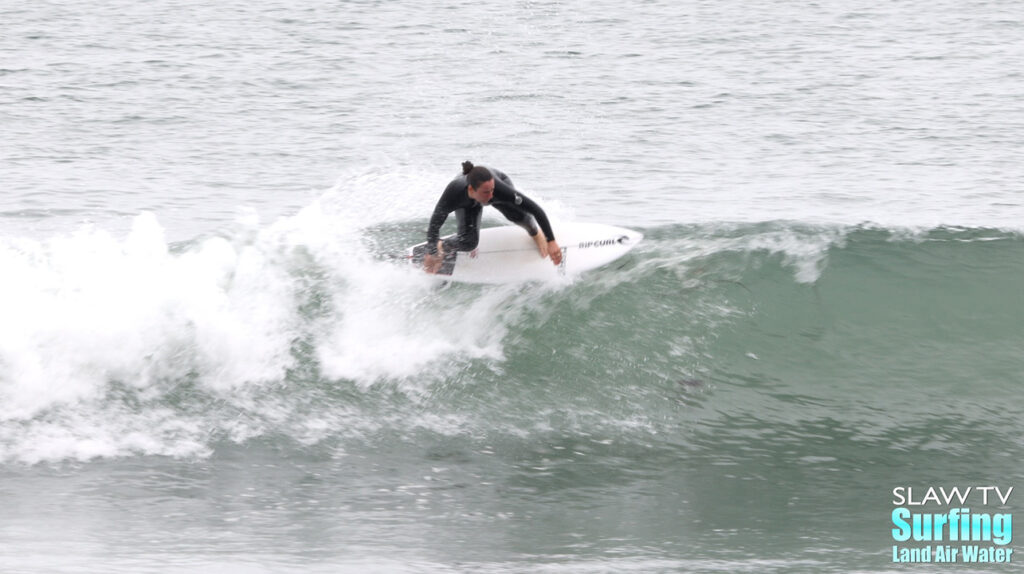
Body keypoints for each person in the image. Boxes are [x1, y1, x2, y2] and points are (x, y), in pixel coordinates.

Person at [423, 161, 562, 274]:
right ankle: (443, 245)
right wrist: (433, 251)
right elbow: (435, 223)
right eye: (486, 193)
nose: (491, 197)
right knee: (469, 242)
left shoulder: (498, 190)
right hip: (468, 201)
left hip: (498, 180)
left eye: (492, 191)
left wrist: (551, 240)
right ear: (471, 189)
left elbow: (535, 209)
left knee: (519, 216)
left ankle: (536, 234)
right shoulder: (454, 193)